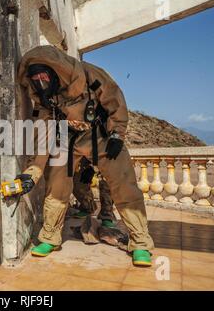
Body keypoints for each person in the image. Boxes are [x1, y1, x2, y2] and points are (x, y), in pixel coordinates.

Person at [14, 45, 154, 267]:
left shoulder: (90, 75)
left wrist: (117, 134)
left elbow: (115, 100)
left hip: (102, 136)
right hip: (67, 140)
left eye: (43, 75)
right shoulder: (44, 101)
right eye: (35, 78)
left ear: (54, 71)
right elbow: (42, 142)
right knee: (56, 187)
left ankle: (140, 243)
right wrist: (31, 173)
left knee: (124, 186)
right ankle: (50, 238)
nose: (40, 81)